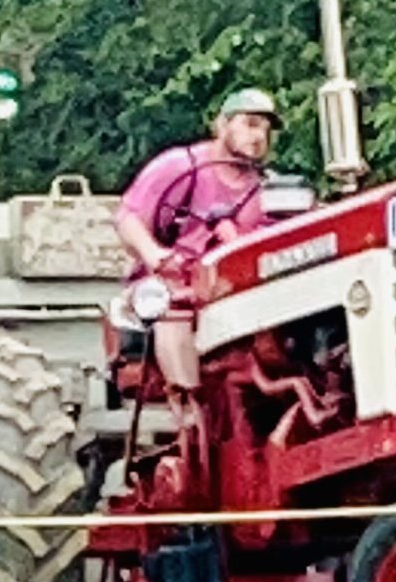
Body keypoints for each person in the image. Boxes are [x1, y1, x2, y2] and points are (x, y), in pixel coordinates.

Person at [114, 87, 282, 393]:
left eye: (266, 130)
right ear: (221, 125)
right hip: (173, 283)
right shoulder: (179, 166)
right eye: (250, 124)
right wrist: (155, 255)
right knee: (172, 310)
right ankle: (188, 405)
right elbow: (129, 217)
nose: (258, 136)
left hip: (231, 288)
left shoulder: (267, 190)